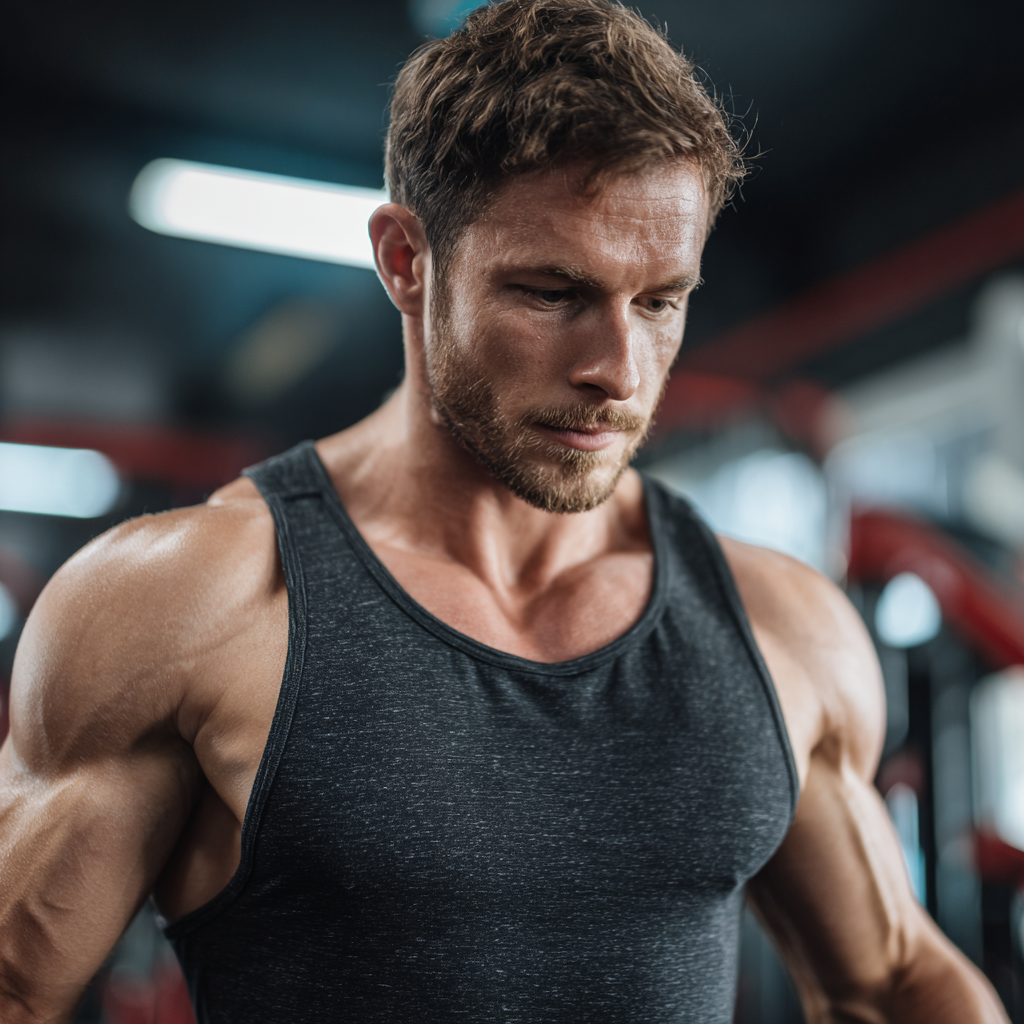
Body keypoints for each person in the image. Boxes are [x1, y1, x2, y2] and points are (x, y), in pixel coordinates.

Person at [0, 0, 1009, 1020]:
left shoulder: (781, 628)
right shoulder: (187, 604)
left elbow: (890, 980)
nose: (618, 370)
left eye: (660, 301)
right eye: (552, 291)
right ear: (406, 260)